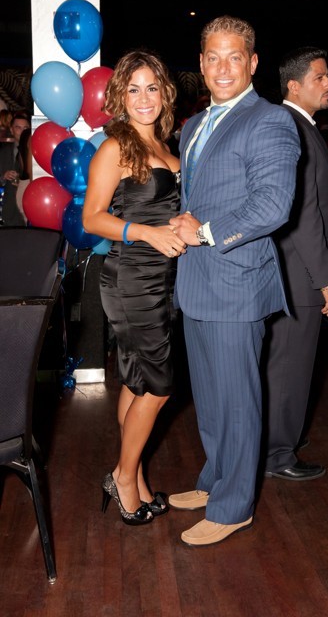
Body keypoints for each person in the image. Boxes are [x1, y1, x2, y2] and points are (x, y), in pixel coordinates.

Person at [168, 15, 300, 546]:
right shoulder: (192, 126)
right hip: (197, 282)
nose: (223, 68)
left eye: (234, 57)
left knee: (238, 402)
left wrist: (203, 233)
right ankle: (215, 481)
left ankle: (234, 506)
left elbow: (273, 206)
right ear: (201, 64)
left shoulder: (270, 120)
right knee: (211, 398)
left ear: (252, 63)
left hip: (237, 283)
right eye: (213, 58)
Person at [82, 48, 187, 526]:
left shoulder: (167, 146)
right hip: (131, 279)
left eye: (152, 88)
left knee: (137, 381)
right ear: (120, 97)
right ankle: (123, 477)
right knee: (160, 388)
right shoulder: (115, 148)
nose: (144, 98)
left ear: (164, 92)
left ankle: (135, 474)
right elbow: (92, 218)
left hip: (164, 279)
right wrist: (147, 232)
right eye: (133, 89)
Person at [262, 47, 328, 482]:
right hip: (300, 273)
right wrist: (325, 278)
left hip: (296, 271)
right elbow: (302, 215)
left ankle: (281, 437)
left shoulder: (300, 125)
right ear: (294, 86)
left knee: (288, 366)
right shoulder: (291, 127)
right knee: (289, 368)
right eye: (320, 77)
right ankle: (277, 453)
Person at [0, 111, 30, 226]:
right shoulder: (3, 151)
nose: (22, 131)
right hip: (8, 210)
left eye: (25, 128)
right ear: (11, 130)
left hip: (29, 207)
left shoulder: (34, 151)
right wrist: (3, 177)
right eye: (18, 128)